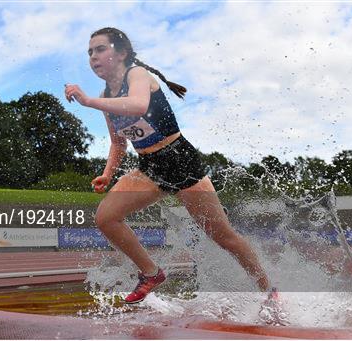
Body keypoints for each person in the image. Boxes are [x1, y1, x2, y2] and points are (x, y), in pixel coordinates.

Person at [64, 27, 272, 304]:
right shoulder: (106, 96)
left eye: (100, 49)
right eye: (89, 52)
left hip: (180, 160)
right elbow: (118, 144)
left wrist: (88, 101)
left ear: (122, 52)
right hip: (150, 166)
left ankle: (269, 289)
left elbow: (138, 105)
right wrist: (107, 174)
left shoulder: (136, 74)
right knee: (106, 218)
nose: (93, 57)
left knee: (223, 237)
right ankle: (151, 273)